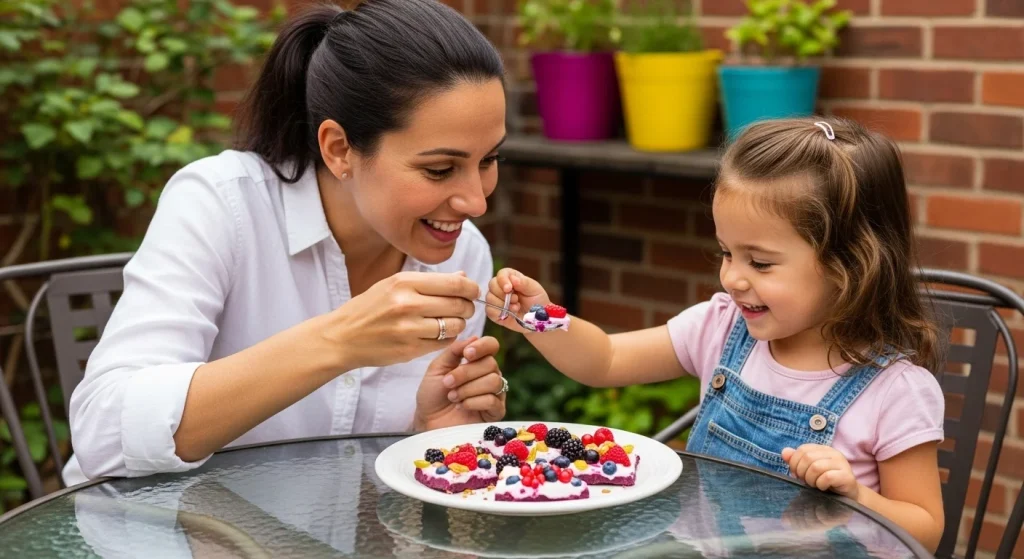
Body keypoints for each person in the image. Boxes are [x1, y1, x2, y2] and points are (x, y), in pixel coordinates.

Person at [66, 0, 509, 485]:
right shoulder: (222, 203)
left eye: (488, 160)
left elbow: (370, 503)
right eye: (440, 169)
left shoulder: (464, 253)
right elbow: (104, 435)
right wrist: (339, 341)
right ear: (339, 149)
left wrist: (424, 437)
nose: (475, 202)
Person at [485, 118, 946, 551]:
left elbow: (925, 530)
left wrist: (855, 499)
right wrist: (539, 317)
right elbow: (605, 359)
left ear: (850, 265)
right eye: (727, 253)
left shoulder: (894, 392)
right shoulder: (722, 327)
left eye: (760, 262)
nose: (733, 278)